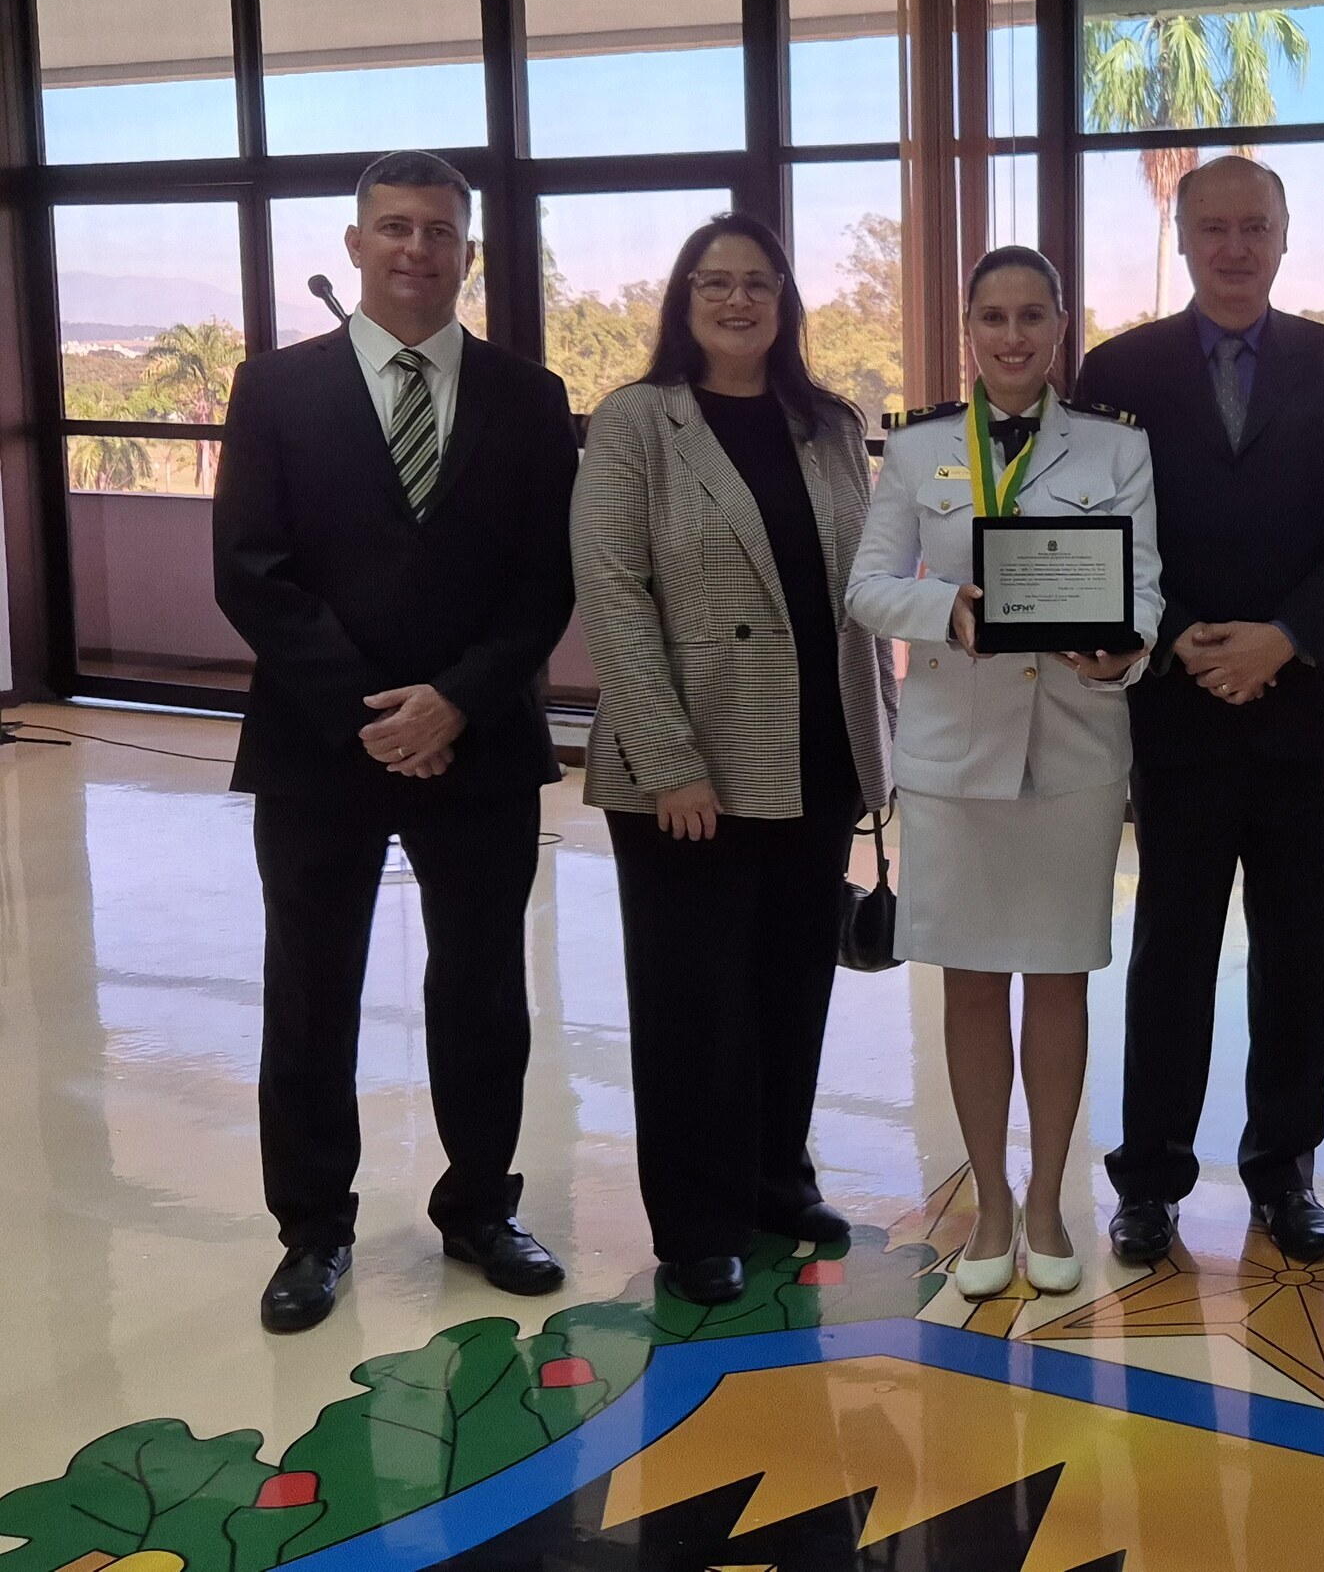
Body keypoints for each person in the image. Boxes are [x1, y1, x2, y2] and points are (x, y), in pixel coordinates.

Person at [213, 150, 579, 1334]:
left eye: (440, 232)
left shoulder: (529, 395)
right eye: (395, 228)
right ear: (356, 244)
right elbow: (251, 574)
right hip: (322, 747)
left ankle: (479, 1207)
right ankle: (312, 1230)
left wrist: (456, 703)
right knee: (311, 989)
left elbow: (546, 581)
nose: (417, 250)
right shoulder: (274, 389)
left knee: (480, 990)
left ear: (468, 253)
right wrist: (375, 716)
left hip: (479, 743)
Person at [571, 213, 897, 1306]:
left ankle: (772, 1177)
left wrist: (883, 742)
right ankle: (697, 1220)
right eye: (714, 282)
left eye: (758, 282)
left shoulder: (828, 424)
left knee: (791, 985)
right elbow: (611, 593)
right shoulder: (637, 424)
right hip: (688, 763)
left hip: (816, 752)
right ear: (683, 299)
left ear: (785, 300)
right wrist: (668, 759)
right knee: (691, 1000)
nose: (737, 299)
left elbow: (867, 585)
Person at [1072, 155, 1324, 1267]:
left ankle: (1281, 1171)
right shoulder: (1119, 370)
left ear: (1286, 237)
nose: (1236, 246)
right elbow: (1097, 526)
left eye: (1257, 226)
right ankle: (1149, 1178)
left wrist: (1284, 637)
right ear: (1184, 236)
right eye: (1215, 227)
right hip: (1178, 703)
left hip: (1299, 710)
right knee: (1172, 951)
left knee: (1301, 954)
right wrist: (1184, 632)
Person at [846, 246, 1162, 1299]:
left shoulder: (1117, 451)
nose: (1013, 337)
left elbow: (1146, 588)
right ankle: (987, 1199)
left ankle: (1049, 1199)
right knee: (973, 983)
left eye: (1032, 316)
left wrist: (1127, 648)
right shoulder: (923, 448)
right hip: (953, 754)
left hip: (1072, 752)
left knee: (1059, 978)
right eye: (993, 317)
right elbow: (869, 588)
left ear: (1062, 324)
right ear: (968, 329)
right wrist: (950, 611)